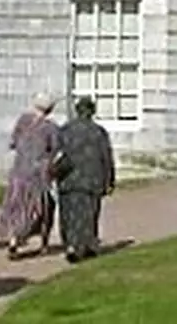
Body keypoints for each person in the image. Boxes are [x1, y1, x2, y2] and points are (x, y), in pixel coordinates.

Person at [0, 92, 60, 258]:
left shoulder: (23, 120)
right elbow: (55, 150)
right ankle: (43, 242)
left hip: (19, 170)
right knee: (43, 208)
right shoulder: (51, 128)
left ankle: (14, 240)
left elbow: (13, 142)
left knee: (16, 206)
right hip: (38, 173)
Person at [55, 96, 116, 263]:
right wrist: (110, 180)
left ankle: (72, 245)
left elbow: (57, 155)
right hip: (92, 180)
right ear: (92, 112)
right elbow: (106, 157)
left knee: (69, 215)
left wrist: (54, 173)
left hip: (68, 179)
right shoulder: (99, 132)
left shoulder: (65, 130)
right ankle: (88, 244)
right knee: (90, 215)